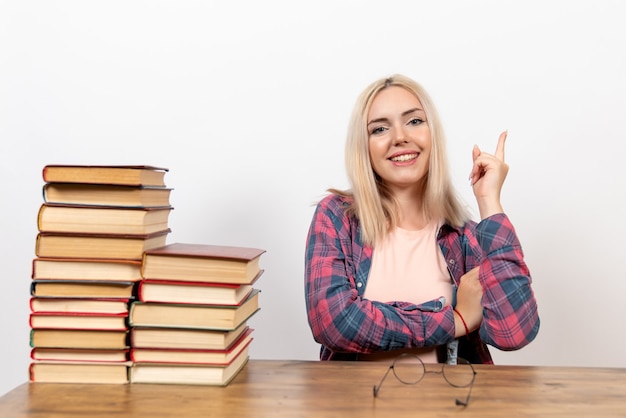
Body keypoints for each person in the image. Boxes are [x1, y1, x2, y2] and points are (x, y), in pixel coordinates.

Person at [304, 74, 539, 364]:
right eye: (379, 128)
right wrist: (455, 321)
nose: (400, 137)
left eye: (414, 121)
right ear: (363, 146)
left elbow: (514, 332)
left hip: (448, 408)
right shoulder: (337, 217)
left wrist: (489, 202)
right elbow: (334, 323)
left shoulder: (463, 237)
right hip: (356, 407)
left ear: (432, 135)